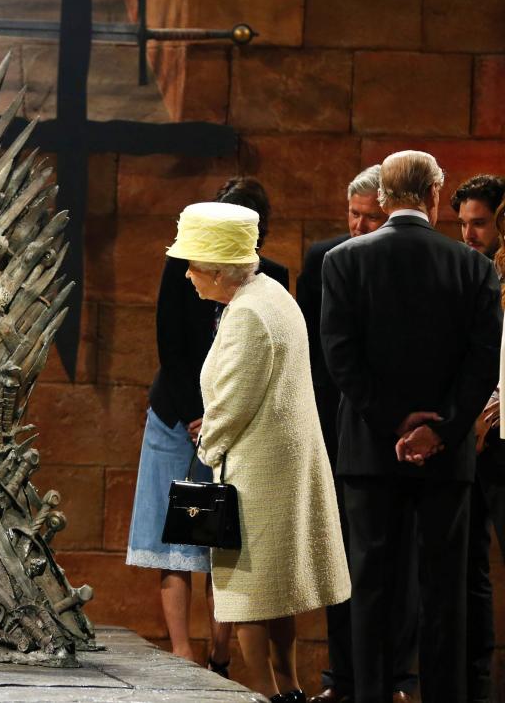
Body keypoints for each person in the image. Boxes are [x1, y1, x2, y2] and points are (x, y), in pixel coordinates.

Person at [321, 150, 502, 703]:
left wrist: (390, 421)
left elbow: (339, 357)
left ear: (382, 198)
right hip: (447, 459)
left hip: (370, 455)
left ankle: (372, 695)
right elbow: (481, 364)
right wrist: (440, 430)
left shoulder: (343, 261)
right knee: (444, 591)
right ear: (433, 196)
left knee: (371, 587)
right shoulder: (474, 267)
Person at [170, 200, 350, 703]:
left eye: (195, 265)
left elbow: (232, 401)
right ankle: (289, 689)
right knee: (275, 592)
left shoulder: (248, 313)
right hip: (276, 463)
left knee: (247, 595)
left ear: (221, 270)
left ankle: (269, 695)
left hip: (255, 471)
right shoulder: (270, 293)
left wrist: (209, 444)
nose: (188, 275)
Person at [126, 177, 285, 674]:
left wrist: (218, 417)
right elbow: (170, 342)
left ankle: (219, 655)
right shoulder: (183, 267)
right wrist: (198, 412)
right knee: (176, 539)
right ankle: (181, 653)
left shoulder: (269, 278)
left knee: (217, 535)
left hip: (230, 424)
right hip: (180, 416)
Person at [297, 166, 418, 703]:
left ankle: (396, 680)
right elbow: (313, 357)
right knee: (339, 561)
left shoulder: (404, 259)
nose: (361, 225)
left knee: (398, 566)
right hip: (333, 432)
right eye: (355, 214)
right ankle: (340, 678)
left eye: (372, 216)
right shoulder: (323, 260)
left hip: (398, 433)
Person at [452, 174, 505, 703]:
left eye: (480, 223)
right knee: (470, 576)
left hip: (498, 437)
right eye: (463, 223)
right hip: (472, 441)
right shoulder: (467, 273)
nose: (469, 233)